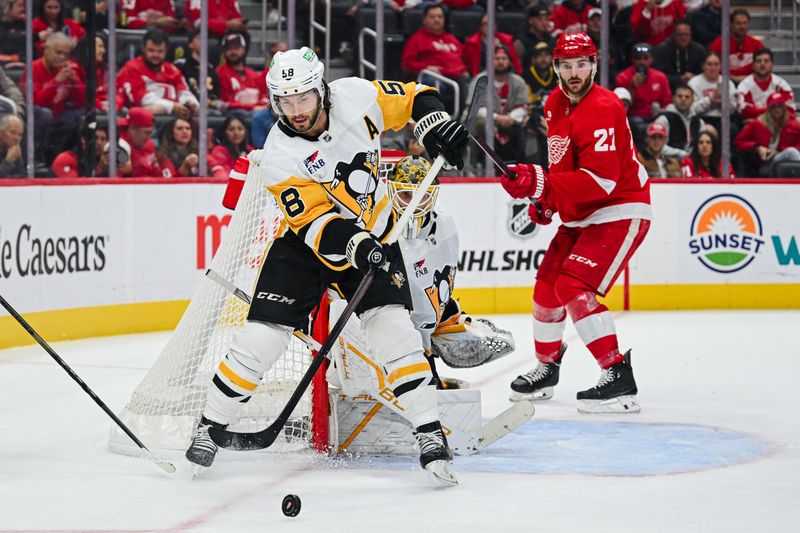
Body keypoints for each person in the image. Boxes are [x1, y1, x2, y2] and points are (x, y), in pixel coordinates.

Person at [185, 46, 469, 485]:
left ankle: (430, 434)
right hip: (305, 248)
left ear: (321, 90)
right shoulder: (279, 155)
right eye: (285, 102)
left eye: (303, 98)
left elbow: (416, 96)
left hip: (375, 235)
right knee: (260, 340)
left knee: (395, 331)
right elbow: (318, 223)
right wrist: (358, 245)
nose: (296, 111)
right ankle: (209, 425)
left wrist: (434, 126)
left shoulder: (355, 95)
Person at [500, 33, 651, 414]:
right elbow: (566, 167)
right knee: (547, 288)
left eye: (581, 63)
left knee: (573, 284)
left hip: (621, 207)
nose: (574, 73)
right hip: (582, 213)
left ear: (594, 65)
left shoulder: (604, 106)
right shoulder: (554, 104)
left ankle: (617, 375)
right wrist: (548, 201)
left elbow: (602, 180)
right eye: (566, 65)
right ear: (555, 68)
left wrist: (542, 183)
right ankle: (547, 368)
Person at [116, 28, 199, 118]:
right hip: (141, 118)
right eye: (151, 50)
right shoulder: (132, 68)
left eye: (160, 51)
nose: (155, 55)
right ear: (143, 49)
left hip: (175, 117)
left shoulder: (172, 69)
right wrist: (172, 107)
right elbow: (141, 99)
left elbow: (184, 91)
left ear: (166, 51)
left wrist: (190, 103)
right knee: (153, 109)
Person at [473, 46, 529, 164]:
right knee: (483, 124)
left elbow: (523, 107)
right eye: (496, 58)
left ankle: (519, 165)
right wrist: (496, 118)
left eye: (504, 58)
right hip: (482, 123)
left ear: (509, 61)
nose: (500, 61)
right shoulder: (480, 80)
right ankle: (479, 164)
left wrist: (511, 118)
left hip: (509, 122)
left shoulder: (518, 81)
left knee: (524, 123)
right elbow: (475, 108)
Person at [734, 92, 800, 177]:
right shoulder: (757, 124)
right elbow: (739, 142)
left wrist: (781, 151)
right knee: (791, 152)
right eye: (773, 107)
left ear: (784, 108)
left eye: (779, 106)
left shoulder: (792, 123)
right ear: (768, 108)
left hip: (785, 160)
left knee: (791, 152)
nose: (777, 110)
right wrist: (757, 147)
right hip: (766, 162)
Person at [401, 3, 469, 83]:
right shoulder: (416, 40)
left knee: (473, 84)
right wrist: (426, 67)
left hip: (456, 77)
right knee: (432, 82)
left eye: (440, 17)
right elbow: (407, 64)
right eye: (432, 17)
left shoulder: (452, 39)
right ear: (424, 20)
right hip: (433, 76)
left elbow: (465, 59)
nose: (437, 20)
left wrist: (465, 70)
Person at [615, 42, 672, 126]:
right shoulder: (623, 77)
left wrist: (663, 111)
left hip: (656, 116)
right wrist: (632, 87)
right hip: (633, 117)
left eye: (645, 58)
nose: (642, 62)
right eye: (637, 58)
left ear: (651, 59)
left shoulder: (660, 77)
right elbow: (621, 106)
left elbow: (667, 101)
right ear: (632, 59)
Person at [173, 29, 227, 115]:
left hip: (211, 108)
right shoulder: (181, 66)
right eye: (199, 38)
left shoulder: (211, 69)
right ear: (190, 44)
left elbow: (216, 94)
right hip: (189, 107)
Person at [736, 48, 796, 122]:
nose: (762, 64)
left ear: (771, 65)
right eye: (758, 61)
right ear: (753, 65)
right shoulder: (744, 86)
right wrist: (775, 111)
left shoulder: (781, 84)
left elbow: (790, 108)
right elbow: (744, 110)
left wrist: (765, 113)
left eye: (766, 61)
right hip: (754, 123)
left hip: (778, 123)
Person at [216, 32, 269, 113]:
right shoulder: (219, 73)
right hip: (233, 114)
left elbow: (264, 97)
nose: (233, 52)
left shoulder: (254, 75)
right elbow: (226, 102)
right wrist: (252, 107)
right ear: (224, 52)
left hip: (256, 113)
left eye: (236, 48)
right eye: (229, 49)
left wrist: (260, 106)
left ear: (244, 49)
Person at [688, 51, 738, 134]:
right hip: (702, 119)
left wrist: (723, 101)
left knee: (732, 130)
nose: (713, 68)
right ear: (703, 66)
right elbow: (692, 110)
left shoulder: (727, 83)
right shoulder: (694, 83)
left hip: (723, 119)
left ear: (720, 66)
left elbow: (733, 110)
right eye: (709, 64)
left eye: (716, 64)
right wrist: (710, 100)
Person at [709, 9, 764, 84]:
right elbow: (711, 68)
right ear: (731, 25)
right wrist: (731, 77)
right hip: (724, 84)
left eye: (745, 23)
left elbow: (764, 67)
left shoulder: (757, 45)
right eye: (738, 23)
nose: (742, 26)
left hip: (751, 84)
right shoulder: (718, 44)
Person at [462, 13, 522, 77]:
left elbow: (515, 63)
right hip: (482, 77)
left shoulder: (506, 41)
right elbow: (466, 63)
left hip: (506, 76)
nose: (489, 26)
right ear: (480, 28)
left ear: (495, 26)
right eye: (485, 24)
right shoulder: (471, 44)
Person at [653, 21, 706, 92]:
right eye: (680, 35)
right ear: (673, 35)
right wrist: (680, 78)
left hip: (694, 87)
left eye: (686, 34)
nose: (683, 38)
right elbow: (658, 76)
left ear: (691, 35)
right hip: (669, 88)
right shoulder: (661, 50)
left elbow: (704, 73)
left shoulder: (699, 50)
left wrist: (693, 77)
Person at [654, 83, 705, 151]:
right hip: (670, 160)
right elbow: (657, 146)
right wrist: (681, 154)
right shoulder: (663, 119)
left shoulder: (699, 122)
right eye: (680, 96)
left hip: (693, 159)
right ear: (673, 98)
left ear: (693, 100)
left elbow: (704, 143)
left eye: (687, 97)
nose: (683, 99)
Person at [119, 107, 162, 177]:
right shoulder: (119, 146)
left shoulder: (149, 144)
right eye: (146, 132)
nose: (149, 137)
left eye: (151, 132)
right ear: (132, 128)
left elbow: (158, 174)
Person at [208, 114, 252, 178]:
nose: (236, 133)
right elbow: (226, 176)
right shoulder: (219, 150)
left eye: (240, 129)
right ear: (224, 132)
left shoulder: (250, 149)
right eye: (231, 129)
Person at [514, 3, 555, 69]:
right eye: (539, 19)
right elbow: (517, 65)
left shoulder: (551, 40)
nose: (544, 22)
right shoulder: (521, 40)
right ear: (530, 20)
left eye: (546, 19)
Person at [0, 112, 23, 177]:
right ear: (1, 133)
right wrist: (9, 161)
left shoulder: (14, 150)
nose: (17, 138)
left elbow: (22, 180)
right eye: (13, 132)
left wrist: (16, 159)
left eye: (20, 134)